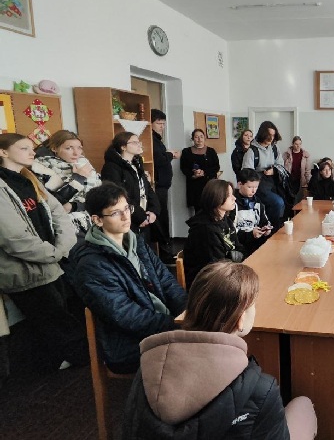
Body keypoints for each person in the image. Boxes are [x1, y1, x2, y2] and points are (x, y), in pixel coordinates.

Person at [122, 261, 317, 439]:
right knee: (304, 404)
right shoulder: (262, 389)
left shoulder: (147, 368)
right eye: (253, 306)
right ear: (240, 320)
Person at [67, 182, 187, 374]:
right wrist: (175, 326)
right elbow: (125, 315)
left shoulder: (136, 241)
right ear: (97, 220)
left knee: (215, 338)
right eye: (115, 213)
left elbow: (166, 281)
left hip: (163, 324)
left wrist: (188, 313)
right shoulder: (91, 265)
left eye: (126, 209)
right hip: (129, 344)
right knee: (200, 354)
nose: (125, 217)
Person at [0, 133, 87, 370]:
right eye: (24, 148)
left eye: (31, 148)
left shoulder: (29, 178)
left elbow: (59, 213)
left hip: (51, 261)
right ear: (3, 152)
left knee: (63, 313)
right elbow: (13, 238)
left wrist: (62, 247)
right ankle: (66, 364)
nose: (33, 152)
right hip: (25, 270)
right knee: (52, 320)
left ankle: (66, 360)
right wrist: (54, 254)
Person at [31, 129, 102, 237]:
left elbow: (99, 194)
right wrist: (78, 178)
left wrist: (75, 205)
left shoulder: (83, 163)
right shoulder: (40, 168)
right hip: (65, 226)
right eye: (69, 148)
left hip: (92, 218)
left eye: (79, 148)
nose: (76, 153)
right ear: (54, 148)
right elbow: (51, 202)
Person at [183, 179, 244, 287]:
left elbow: (239, 247)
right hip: (209, 285)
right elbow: (217, 267)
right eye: (229, 196)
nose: (234, 198)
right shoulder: (205, 230)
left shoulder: (224, 219)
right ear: (217, 198)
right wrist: (235, 258)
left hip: (227, 274)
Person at [101, 131, 160, 239]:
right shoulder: (111, 168)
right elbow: (119, 195)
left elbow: (147, 189)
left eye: (139, 142)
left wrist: (153, 211)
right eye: (134, 142)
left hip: (144, 216)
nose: (139, 145)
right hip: (128, 218)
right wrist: (140, 216)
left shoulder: (136, 163)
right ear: (123, 147)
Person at [242, 121, 290, 228]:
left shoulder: (274, 148)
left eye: (273, 135)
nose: (271, 138)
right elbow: (246, 173)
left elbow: (281, 165)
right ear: (262, 134)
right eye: (269, 135)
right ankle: (272, 228)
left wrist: (274, 171)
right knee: (278, 202)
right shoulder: (252, 151)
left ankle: (271, 227)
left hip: (274, 182)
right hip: (259, 185)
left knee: (284, 203)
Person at [150, 109, 180, 263]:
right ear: (150, 123)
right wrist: (171, 155)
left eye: (163, 123)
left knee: (163, 216)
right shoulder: (150, 139)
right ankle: (165, 252)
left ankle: (165, 249)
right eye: (158, 123)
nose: (162, 126)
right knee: (161, 218)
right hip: (158, 185)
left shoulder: (157, 139)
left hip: (163, 185)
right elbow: (159, 159)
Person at [180, 128, 220, 213]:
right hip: (194, 185)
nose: (199, 139)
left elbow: (216, 167)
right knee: (198, 211)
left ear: (204, 138)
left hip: (209, 184)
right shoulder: (186, 152)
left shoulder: (211, 151)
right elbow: (183, 168)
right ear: (192, 139)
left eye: (201, 136)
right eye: (196, 137)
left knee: (211, 208)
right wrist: (193, 174)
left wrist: (204, 173)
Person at [234, 168, 273, 257]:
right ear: (240, 184)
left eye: (256, 187)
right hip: (240, 246)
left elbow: (264, 221)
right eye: (250, 187)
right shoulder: (232, 203)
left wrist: (266, 229)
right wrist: (250, 234)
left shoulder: (257, 202)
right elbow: (231, 231)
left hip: (256, 243)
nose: (253, 191)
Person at [283, 135, 312, 203]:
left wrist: (309, 182)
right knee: (288, 197)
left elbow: (307, 171)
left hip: (300, 180)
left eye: (299, 144)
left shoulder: (305, 155)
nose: (298, 146)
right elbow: (282, 167)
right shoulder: (286, 154)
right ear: (292, 144)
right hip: (289, 179)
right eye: (296, 144)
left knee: (298, 198)